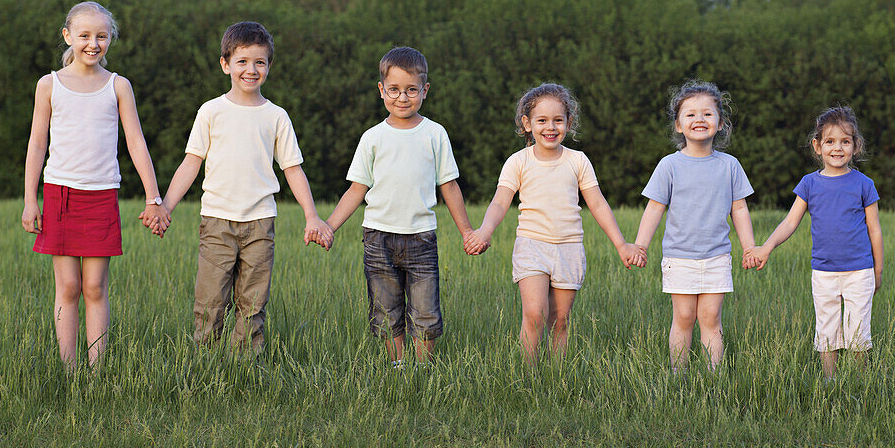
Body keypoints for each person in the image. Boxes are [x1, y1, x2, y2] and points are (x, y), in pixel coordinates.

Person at [147, 21, 333, 351]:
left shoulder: (277, 116)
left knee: (253, 304)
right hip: (217, 222)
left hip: (260, 223)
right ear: (225, 64)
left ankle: (244, 369)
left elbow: (292, 169)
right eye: (242, 61)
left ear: (269, 67)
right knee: (209, 303)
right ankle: (205, 366)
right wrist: (165, 207)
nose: (251, 69)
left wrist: (311, 216)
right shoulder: (211, 111)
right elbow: (192, 163)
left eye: (260, 62)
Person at [23, 1, 170, 368]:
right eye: (85, 35)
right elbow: (37, 143)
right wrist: (31, 200)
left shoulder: (118, 86)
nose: (93, 43)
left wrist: (154, 198)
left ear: (110, 39)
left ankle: (97, 372)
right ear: (68, 36)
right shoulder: (49, 85)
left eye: (101, 36)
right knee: (68, 287)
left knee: (94, 287)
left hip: (102, 196)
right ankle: (69, 371)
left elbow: (136, 143)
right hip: (60, 195)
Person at [319, 47, 475, 367]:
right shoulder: (373, 138)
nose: (402, 97)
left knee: (425, 310)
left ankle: (422, 370)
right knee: (387, 310)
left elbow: (449, 186)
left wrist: (467, 232)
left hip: (420, 237)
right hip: (378, 237)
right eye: (394, 89)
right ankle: (399, 367)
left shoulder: (434, 134)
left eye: (411, 90)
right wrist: (329, 225)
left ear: (424, 90)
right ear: (382, 90)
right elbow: (356, 189)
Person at [465, 84, 637, 364]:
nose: (550, 127)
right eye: (542, 120)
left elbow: (597, 203)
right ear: (527, 123)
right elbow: (499, 202)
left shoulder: (577, 160)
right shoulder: (518, 162)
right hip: (531, 246)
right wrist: (484, 231)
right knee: (535, 315)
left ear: (569, 123)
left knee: (560, 321)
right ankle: (528, 379)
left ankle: (557, 379)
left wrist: (621, 244)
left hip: (569, 249)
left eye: (558, 120)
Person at [629, 80, 755, 373]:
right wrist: (640, 245)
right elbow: (654, 209)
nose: (699, 119)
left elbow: (740, 209)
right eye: (690, 114)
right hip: (679, 256)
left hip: (717, 256)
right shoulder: (669, 165)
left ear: (721, 123)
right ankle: (679, 376)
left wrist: (749, 247)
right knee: (684, 317)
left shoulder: (729, 166)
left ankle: (714, 377)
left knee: (710, 318)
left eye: (708, 114)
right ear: (678, 125)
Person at [751, 107, 884, 379]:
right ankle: (829, 380)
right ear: (817, 146)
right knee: (827, 329)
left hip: (859, 271)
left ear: (856, 146)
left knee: (858, 331)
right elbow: (790, 222)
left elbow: (875, 230)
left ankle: (859, 382)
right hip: (823, 272)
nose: (838, 148)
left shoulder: (864, 184)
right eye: (830, 141)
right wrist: (766, 247)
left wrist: (877, 271)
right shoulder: (809, 184)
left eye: (845, 142)